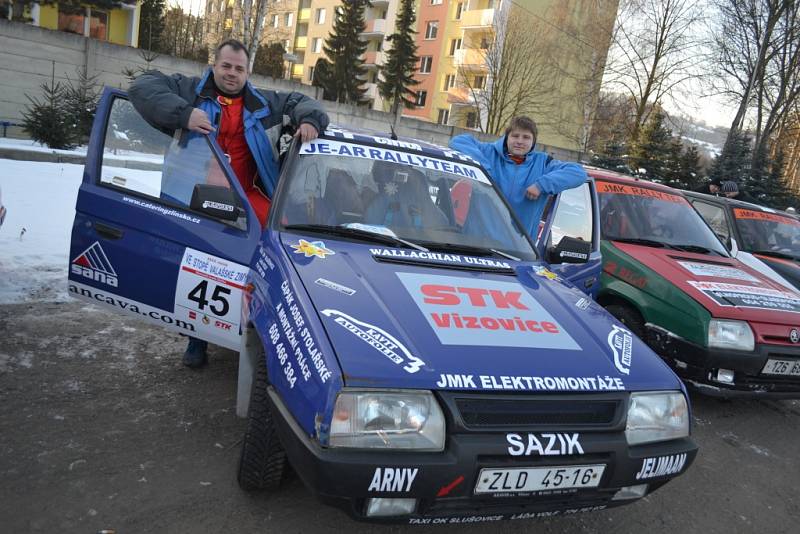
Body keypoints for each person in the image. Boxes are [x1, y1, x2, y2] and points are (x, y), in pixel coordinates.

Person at [129, 39, 330, 368]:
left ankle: (258, 329)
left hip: (247, 194)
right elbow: (142, 85)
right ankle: (197, 339)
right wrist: (185, 113)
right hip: (197, 195)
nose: (232, 73)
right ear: (213, 65)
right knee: (202, 266)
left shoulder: (265, 103)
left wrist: (310, 121)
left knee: (269, 253)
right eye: (226, 66)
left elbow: (305, 102)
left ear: (248, 72)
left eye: (239, 68)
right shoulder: (190, 91)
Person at [448, 116, 586, 238]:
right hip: (477, 244)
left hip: (519, 250)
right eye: (515, 136)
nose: (519, 141)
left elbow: (578, 173)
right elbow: (458, 141)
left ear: (533, 142)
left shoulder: (544, 163)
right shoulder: (488, 153)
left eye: (526, 137)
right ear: (507, 137)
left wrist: (541, 185)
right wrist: (483, 170)